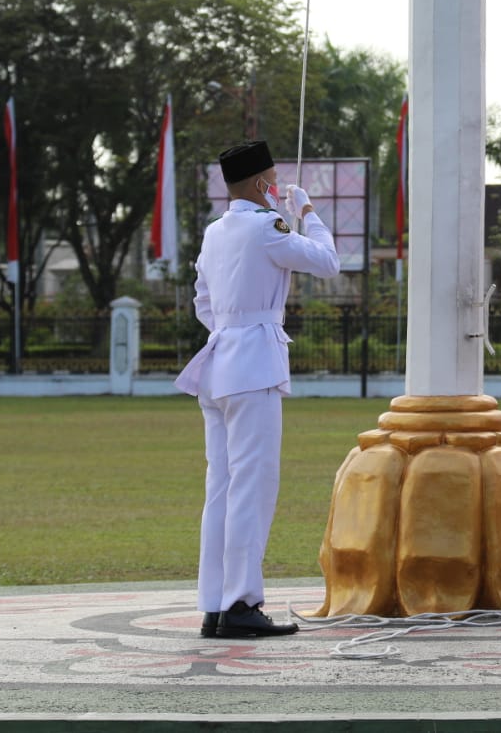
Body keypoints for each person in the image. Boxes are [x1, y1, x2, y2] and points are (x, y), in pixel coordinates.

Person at [175, 140, 340, 638]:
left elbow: (203, 300)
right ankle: (242, 602)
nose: (277, 185)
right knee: (252, 486)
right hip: (254, 367)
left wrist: (231, 325)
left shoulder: (215, 232)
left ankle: (216, 605)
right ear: (260, 185)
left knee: (221, 487)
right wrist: (307, 211)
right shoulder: (268, 227)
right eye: (273, 178)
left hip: (220, 362)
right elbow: (329, 262)